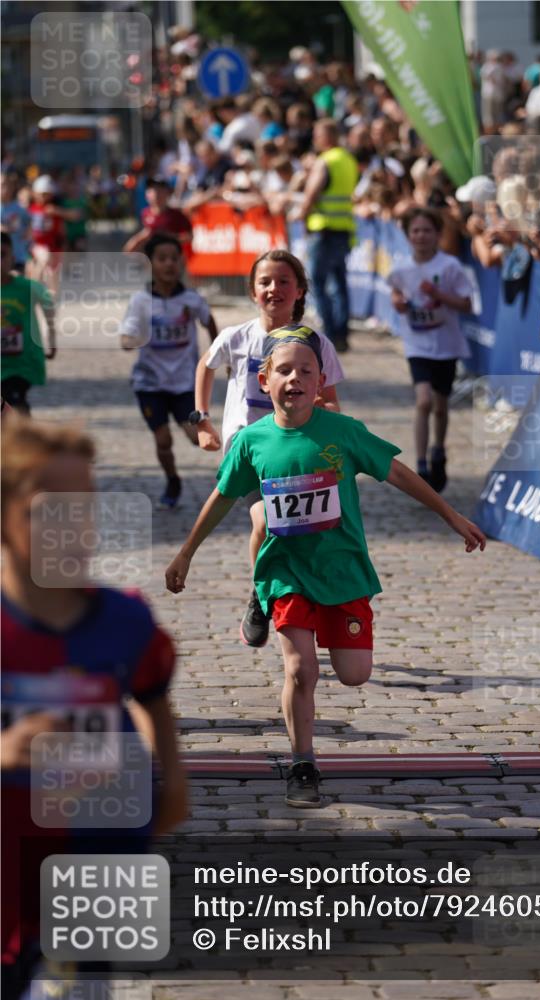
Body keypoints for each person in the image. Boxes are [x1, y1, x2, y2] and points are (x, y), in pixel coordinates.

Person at [165, 328, 486, 808]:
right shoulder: (251, 441)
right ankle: (302, 763)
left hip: (342, 571)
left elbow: (398, 473)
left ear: (320, 382)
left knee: (354, 673)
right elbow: (222, 497)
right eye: (284, 370)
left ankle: (312, 720)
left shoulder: (343, 432)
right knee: (301, 669)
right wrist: (186, 551)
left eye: (306, 371)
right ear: (264, 380)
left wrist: (450, 515)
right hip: (286, 571)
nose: (295, 378)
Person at [1, 417, 188, 1000]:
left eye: (85, 508)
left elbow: (153, 696)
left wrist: (165, 785)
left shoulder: (125, 621)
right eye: (49, 510)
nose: (74, 527)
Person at [192, 249, 345, 648]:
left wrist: (319, 409)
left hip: (296, 455)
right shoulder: (237, 337)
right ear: (252, 291)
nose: (273, 288)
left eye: (283, 281)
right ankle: (261, 597)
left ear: (300, 291)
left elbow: (332, 404)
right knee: (264, 523)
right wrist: (202, 420)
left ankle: (299, 601)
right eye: (265, 282)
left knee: (296, 534)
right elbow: (206, 366)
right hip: (250, 455)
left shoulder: (317, 344)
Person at [120, 232, 217, 508]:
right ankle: (172, 480)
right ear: (150, 263)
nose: (169, 264)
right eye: (162, 259)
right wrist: (130, 340)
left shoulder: (191, 299)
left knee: (196, 438)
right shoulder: (140, 301)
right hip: (150, 384)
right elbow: (127, 335)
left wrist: (218, 352)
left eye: (174, 258)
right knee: (163, 440)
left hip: (185, 383)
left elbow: (209, 321)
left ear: (181, 262)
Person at [388, 207, 473, 492]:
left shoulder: (449, 266)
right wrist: (398, 302)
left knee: (440, 405)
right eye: (415, 231)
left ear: (438, 234)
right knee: (423, 400)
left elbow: (467, 304)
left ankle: (438, 449)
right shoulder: (401, 269)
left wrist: (439, 295)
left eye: (427, 230)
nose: (421, 236)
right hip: (417, 344)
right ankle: (421, 462)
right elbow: (395, 293)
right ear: (407, 235)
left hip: (446, 345)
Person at [292, 118, 358, 352]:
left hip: (323, 229)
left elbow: (312, 193)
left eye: (317, 135)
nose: (314, 139)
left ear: (327, 136)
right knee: (340, 282)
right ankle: (342, 334)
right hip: (344, 229)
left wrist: (301, 214)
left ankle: (329, 335)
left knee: (318, 283)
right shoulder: (348, 159)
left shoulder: (325, 161)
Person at [1, 231, 56, 414]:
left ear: (12, 258)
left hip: (20, 364)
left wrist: (51, 337)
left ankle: (22, 430)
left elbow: (48, 304)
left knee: (16, 406)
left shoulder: (26, 287)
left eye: (2, 255)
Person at [123, 176, 192, 253]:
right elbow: (141, 238)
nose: (156, 193)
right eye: (152, 189)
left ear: (168, 193)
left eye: (160, 189)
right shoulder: (145, 213)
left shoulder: (177, 215)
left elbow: (189, 237)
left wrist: (169, 238)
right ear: (146, 195)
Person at [0, 173, 31, 272]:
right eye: (1, 185)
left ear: (12, 188)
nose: (3, 189)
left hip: (16, 257)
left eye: (6, 185)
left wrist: (27, 234)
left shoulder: (19, 209)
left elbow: (28, 224)